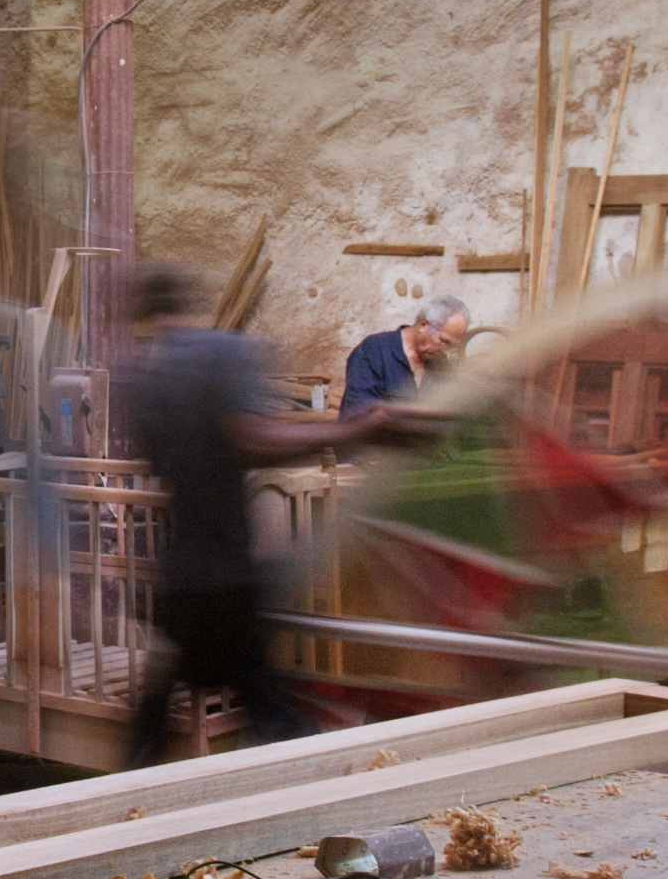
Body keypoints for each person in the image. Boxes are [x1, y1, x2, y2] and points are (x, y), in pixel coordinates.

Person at [118, 261, 432, 763]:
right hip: (226, 573)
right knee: (268, 708)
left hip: (181, 576)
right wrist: (359, 428)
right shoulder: (222, 352)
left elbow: (164, 458)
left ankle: (126, 800)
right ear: (191, 303)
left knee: (163, 710)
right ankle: (325, 786)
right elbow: (251, 439)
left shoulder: (140, 378)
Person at [341, 293, 469, 416]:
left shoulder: (441, 365)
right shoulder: (374, 351)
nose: (445, 350)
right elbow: (356, 416)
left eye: (451, 345)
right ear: (423, 325)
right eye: (444, 341)